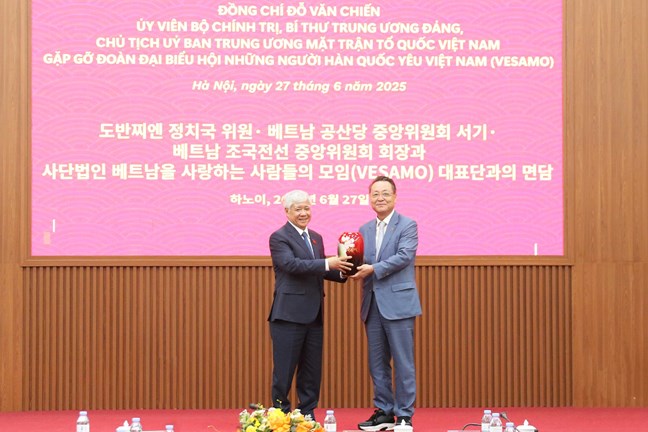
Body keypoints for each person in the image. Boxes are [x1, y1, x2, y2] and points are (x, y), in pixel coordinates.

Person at [268, 189, 352, 420]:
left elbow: (319, 269)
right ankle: (280, 414)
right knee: (284, 370)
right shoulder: (279, 237)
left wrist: (345, 271)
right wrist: (327, 263)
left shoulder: (315, 237)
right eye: (298, 209)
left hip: (314, 314)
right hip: (288, 315)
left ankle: (307, 413)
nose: (304, 213)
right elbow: (291, 265)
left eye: (307, 208)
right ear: (287, 211)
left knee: (312, 370)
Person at [351, 176, 422, 431]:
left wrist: (373, 269)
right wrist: (346, 266)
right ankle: (384, 411)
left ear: (395, 197)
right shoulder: (364, 229)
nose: (380, 198)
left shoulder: (407, 225)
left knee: (403, 362)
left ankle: (404, 415)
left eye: (385, 193)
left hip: (398, 303)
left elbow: (404, 256)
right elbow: (359, 261)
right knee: (377, 363)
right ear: (369, 198)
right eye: (375, 194)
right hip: (372, 304)